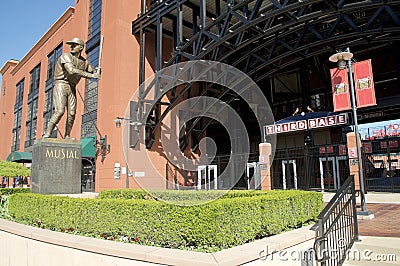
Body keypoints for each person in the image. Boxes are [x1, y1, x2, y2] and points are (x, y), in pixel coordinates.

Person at [43, 37, 100, 139]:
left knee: (72, 113)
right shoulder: (66, 56)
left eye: (75, 45)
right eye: (71, 45)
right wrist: (91, 76)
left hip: (72, 87)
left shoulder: (84, 62)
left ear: (81, 47)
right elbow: (71, 70)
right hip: (61, 84)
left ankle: (67, 135)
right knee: (60, 111)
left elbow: (92, 70)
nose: (72, 46)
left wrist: (97, 71)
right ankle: (47, 133)